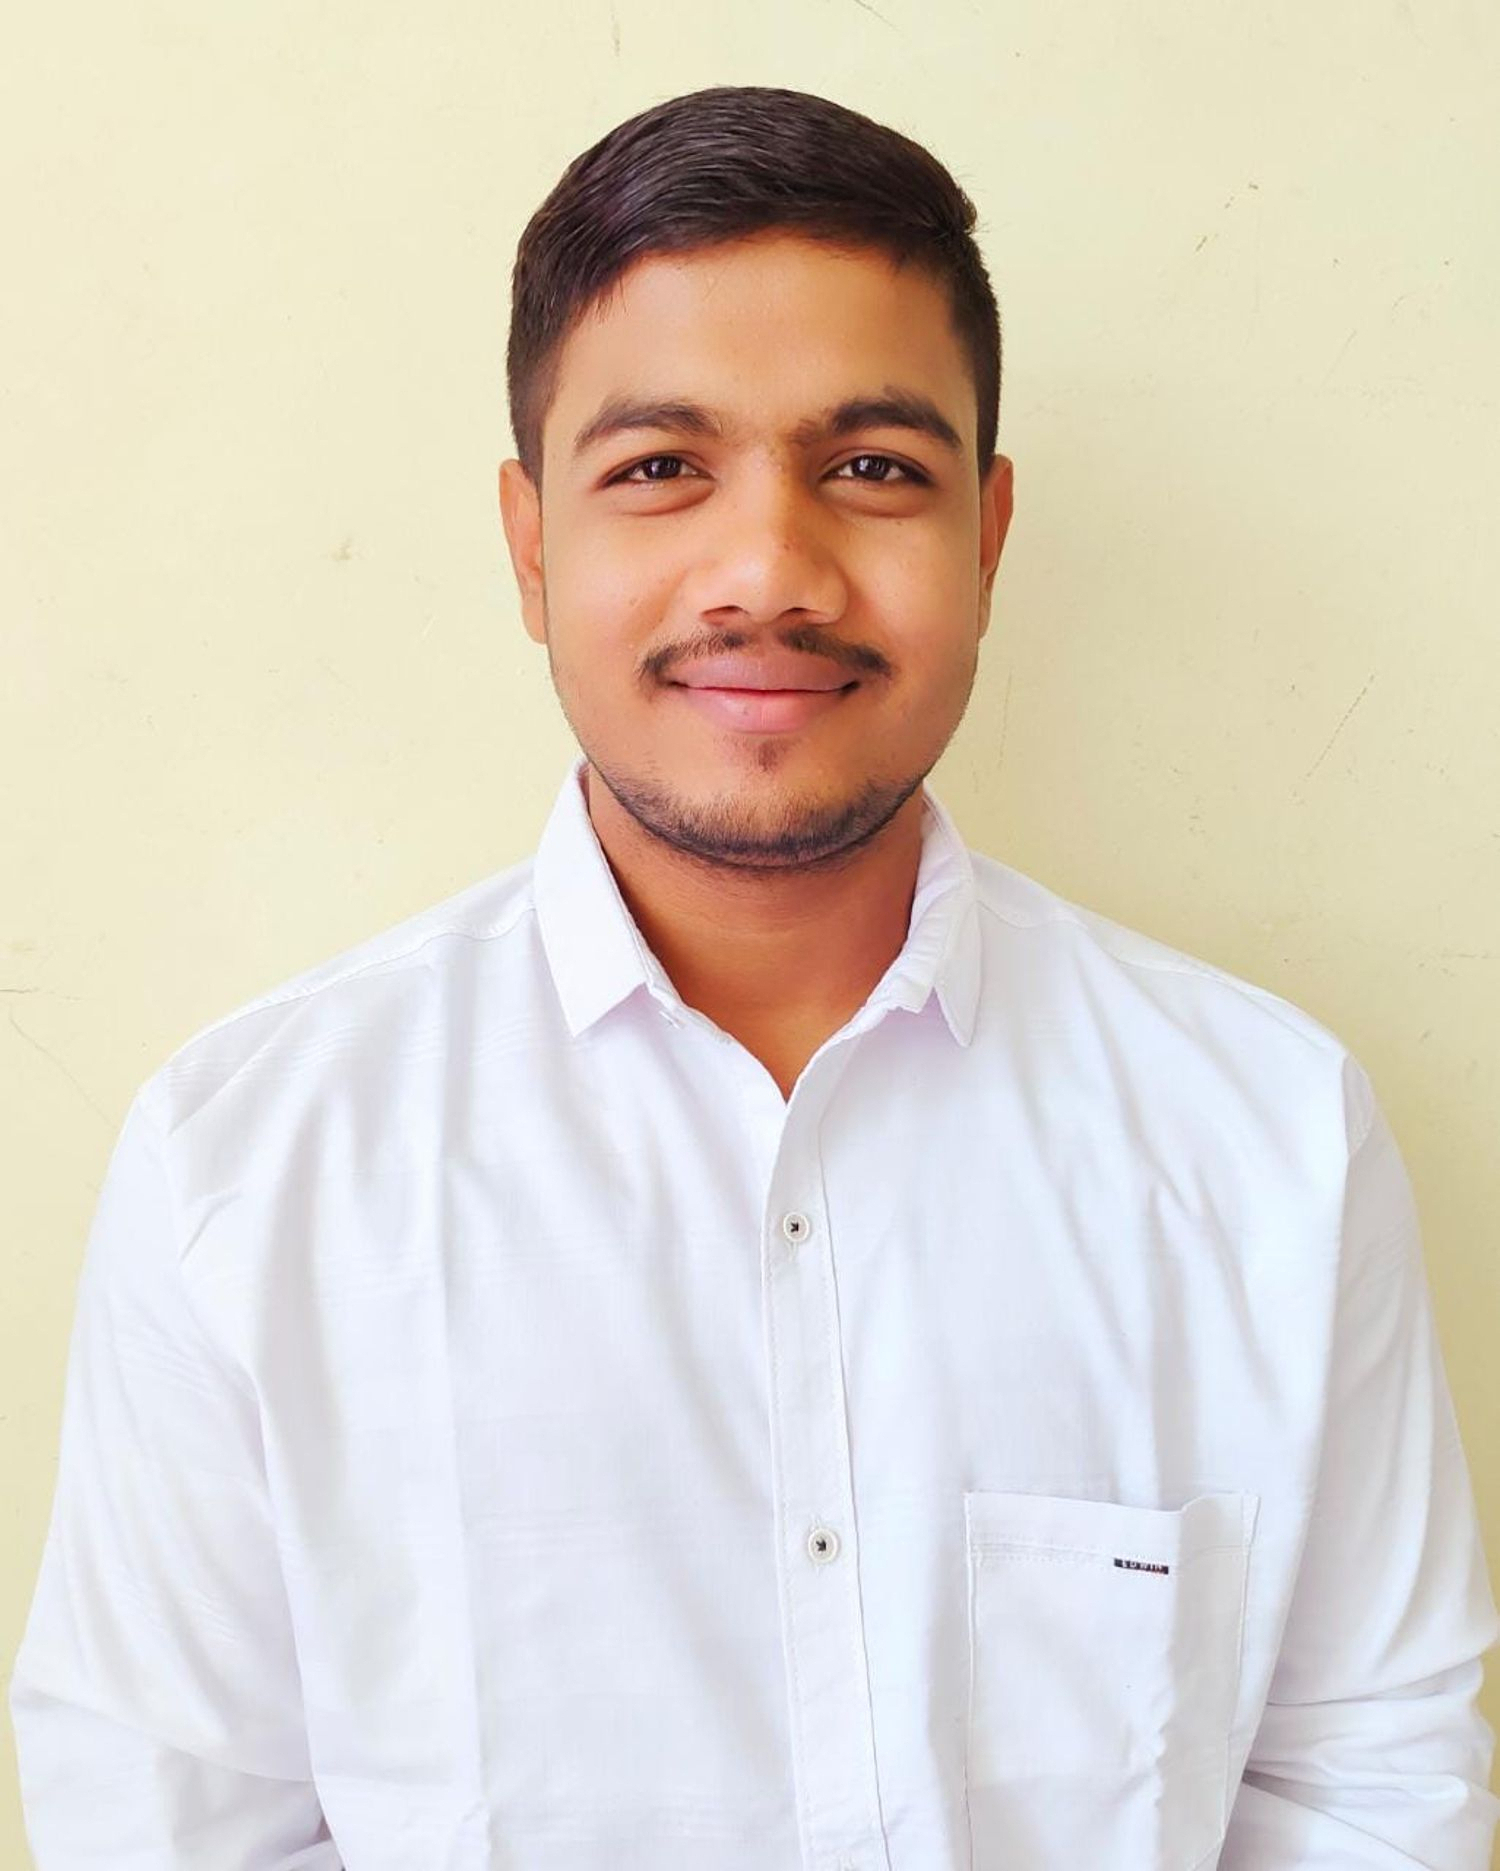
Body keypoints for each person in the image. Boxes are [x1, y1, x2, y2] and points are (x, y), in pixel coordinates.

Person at [8, 82, 1497, 1871]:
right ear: (531, 544)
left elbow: (1370, 1801)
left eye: (872, 469)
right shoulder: (248, 1171)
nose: (769, 572)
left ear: (988, 536)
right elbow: (170, 1834)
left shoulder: (1268, 1140)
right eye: (659, 468)